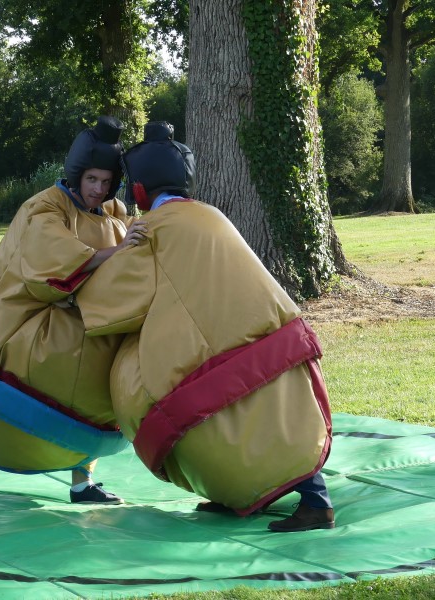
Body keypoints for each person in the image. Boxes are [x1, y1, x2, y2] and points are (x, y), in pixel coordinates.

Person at [75, 121, 335, 532]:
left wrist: (80, 283)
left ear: (139, 190)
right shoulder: (207, 214)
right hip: (264, 333)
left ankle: (317, 502)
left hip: (225, 341)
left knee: (232, 418)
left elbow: (114, 300)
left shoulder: (155, 229)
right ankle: (250, 495)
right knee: (266, 415)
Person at [0, 116, 147, 503]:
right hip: (22, 331)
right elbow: (48, 263)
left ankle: (82, 483)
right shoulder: (46, 208)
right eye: (91, 180)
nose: (97, 190)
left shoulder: (114, 212)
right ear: (75, 174)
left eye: (105, 182)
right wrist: (117, 251)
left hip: (89, 331)